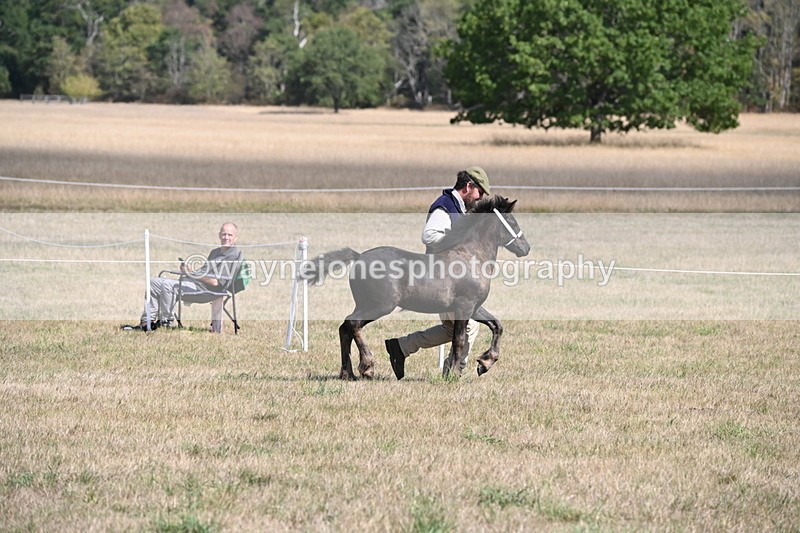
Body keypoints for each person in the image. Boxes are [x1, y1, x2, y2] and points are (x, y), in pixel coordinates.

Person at [384, 167, 491, 379]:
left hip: (450, 280)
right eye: (480, 192)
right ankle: (453, 372)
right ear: (469, 187)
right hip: (442, 281)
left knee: (451, 330)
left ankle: (402, 346)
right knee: (469, 328)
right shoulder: (445, 207)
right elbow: (429, 236)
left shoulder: (457, 208)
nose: (480, 198)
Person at [134, 222, 241, 331]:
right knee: (153, 282)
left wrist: (192, 273)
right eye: (224, 234)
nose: (226, 237)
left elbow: (215, 282)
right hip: (196, 283)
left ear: (235, 238)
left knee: (167, 285)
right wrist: (187, 271)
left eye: (229, 235)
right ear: (219, 235)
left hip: (208, 291)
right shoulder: (215, 252)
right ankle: (147, 322)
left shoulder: (233, 256)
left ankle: (166, 323)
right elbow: (203, 272)